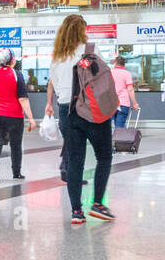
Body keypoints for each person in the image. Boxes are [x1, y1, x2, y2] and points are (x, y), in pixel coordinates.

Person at [62, 40, 116, 224]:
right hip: (94, 113)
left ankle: (76, 211)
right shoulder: (91, 49)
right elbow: (102, 83)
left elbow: (57, 85)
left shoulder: (57, 54)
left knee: (75, 163)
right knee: (104, 157)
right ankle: (98, 204)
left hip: (70, 112)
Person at [0, 47, 35, 183]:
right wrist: (31, 118)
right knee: (15, 144)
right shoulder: (17, 74)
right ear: (11, 60)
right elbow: (23, 99)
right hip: (14, 116)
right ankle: (16, 173)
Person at [46, 13, 87, 182]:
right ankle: (72, 174)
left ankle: (67, 169)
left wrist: (50, 102)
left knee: (71, 141)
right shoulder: (87, 50)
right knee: (79, 144)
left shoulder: (57, 56)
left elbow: (52, 82)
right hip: (82, 105)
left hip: (64, 105)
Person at [111, 56, 139, 128]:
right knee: (120, 126)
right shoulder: (127, 73)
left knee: (113, 126)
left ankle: (118, 137)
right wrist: (134, 103)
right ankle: (121, 137)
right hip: (123, 103)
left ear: (115, 63)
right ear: (124, 64)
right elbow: (130, 89)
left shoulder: (109, 72)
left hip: (111, 104)